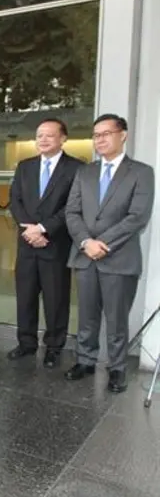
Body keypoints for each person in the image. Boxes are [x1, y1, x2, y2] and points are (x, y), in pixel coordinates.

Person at [64, 114, 155, 393]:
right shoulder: (85, 172)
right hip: (85, 256)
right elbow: (72, 211)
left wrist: (100, 243)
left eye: (106, 134)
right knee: (87, 316)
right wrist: (85, 242)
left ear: (122, 135)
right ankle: (85, 360)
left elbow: (137, 217)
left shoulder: (141, 172)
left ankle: (117, 369)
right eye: (96, 135)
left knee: (116, 319)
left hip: (119, 258)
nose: (100, 139)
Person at [8, 118, 83, 368]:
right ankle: (26, 342)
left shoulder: (76, 168)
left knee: (56, 299)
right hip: (27, 243)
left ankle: (54, 347)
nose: (43, 139)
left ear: (63, 138)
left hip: (55, 244)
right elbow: (15, 200)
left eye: (49, 135)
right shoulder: (25, 166)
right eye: (39, 135)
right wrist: (30, 230)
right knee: (25, 296)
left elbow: (72, 206)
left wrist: (43, 229)